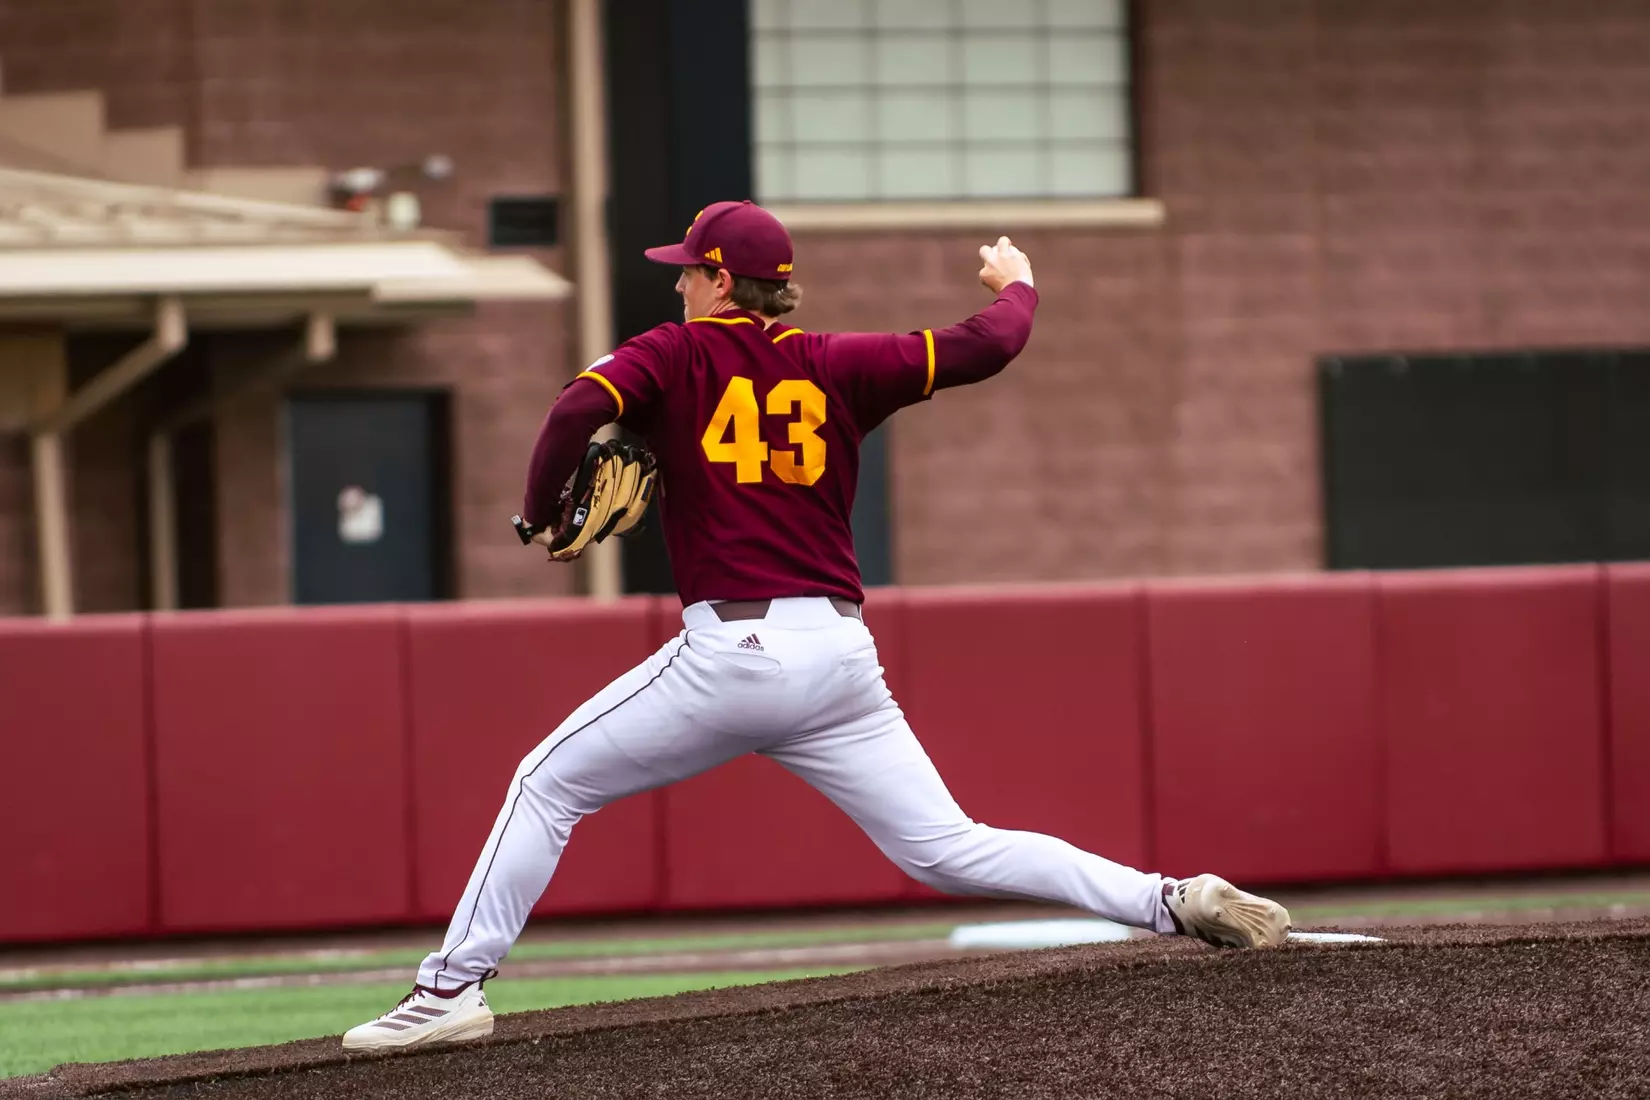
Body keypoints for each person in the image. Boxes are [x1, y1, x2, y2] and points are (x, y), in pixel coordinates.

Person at [342, 200, 1291, 1053]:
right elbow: (987, 344)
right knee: (948, 845)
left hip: (736, 652)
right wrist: (1021, 285)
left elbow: (577, 406)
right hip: (839, 657)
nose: (676, 282)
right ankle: (1169, 899)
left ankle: (447, 991)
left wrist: (540, 511)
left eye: (687, 268)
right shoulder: (838, 363)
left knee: (545, 785)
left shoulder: (674, 354)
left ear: (720, 280)